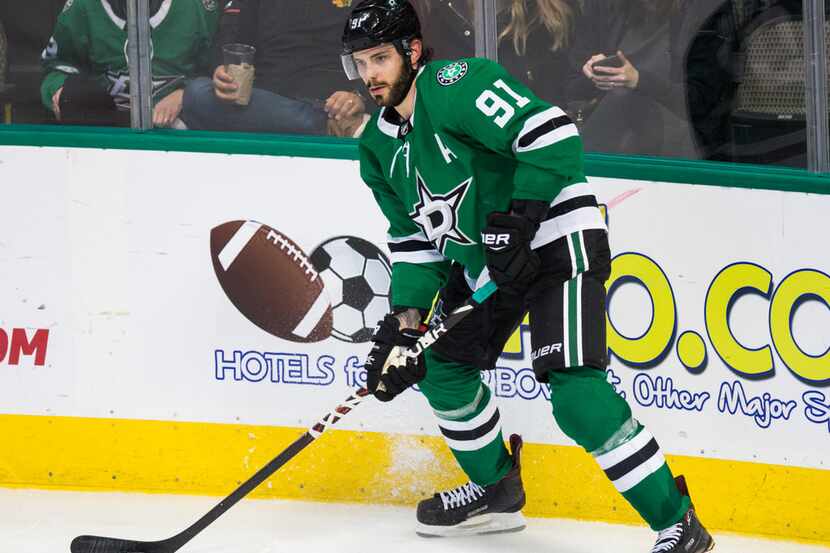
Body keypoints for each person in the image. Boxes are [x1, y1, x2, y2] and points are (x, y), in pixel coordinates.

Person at [342, 1, 715, 551]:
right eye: (359, 63)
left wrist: (519, 222)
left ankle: (678, 524)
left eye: (380, 58)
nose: (370, 75)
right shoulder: (376, 146)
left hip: (555, 239)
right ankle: (496, 489)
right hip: (487, 263)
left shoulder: (456, 83)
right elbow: (415, 240)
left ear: (412, 52)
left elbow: (552, 132)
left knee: (576, 395)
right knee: (440, 368)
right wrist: (405, 324)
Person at [181, 0, 369, 137]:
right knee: (197, 93)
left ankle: (332, 122)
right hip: (266, 101)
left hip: (333, 101)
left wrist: (359, 97)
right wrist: (222, 74)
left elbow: (387, 57)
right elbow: (234, 45)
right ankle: (331, 127)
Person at [40, 0, 218, 127]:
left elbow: (219, 76)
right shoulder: (83, 6)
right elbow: (55, 66)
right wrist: (61, 88)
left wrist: (184, 95)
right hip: (105, 134)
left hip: (182, 135)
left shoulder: (200, 7)